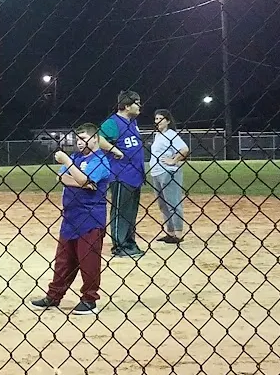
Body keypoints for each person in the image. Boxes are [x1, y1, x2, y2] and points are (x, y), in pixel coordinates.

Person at [31, 124, 111, 315]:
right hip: (70, 217)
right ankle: (54, 295)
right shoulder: (77, 158)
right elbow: (62, 178)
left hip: (90, 218)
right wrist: (82, 181)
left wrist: (69, 164)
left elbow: (84, 180)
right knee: (63, 260)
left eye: (83, 138)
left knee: (88, 261)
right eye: (77, 139)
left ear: (94, 139)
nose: (79, 142)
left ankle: (90, 300)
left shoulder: (101, 160)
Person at [99, 90, 145, 259]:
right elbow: (98, 138)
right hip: (120, 174)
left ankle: (129, 242)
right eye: (137, 102)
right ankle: (120, 245)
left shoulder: (132, 122)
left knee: (131, 212)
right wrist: (114, 150)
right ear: (126, 106)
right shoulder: (113, 122)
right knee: (120, 211)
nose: (140, 106)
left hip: (135, 174)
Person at [149, 109, 190, 243]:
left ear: (167, 121)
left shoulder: (171, 134)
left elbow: (184, 149)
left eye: (161, 118)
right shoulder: (158, 135)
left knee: (173, 203)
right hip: (156, 173)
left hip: (168, 172)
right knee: (163, 205)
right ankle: (170, 232)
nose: (158, 121)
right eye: (156, 119)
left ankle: (178, 234)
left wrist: (173, 161)